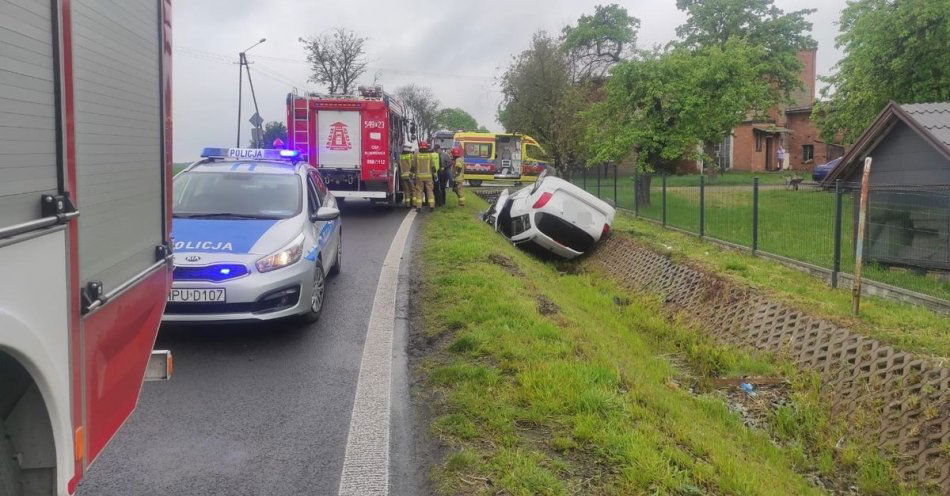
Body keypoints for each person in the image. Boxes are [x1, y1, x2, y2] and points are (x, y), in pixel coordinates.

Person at [414, 141, 437, 211]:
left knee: (419, 191)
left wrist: (411, 174)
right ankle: (432, 206)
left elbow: (413, 166)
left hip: (419, 177)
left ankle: (418, 207)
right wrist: (434, 174)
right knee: (430, 190)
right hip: (428, 176)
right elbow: (433, 166)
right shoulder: (429, 155)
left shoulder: (416, 155)